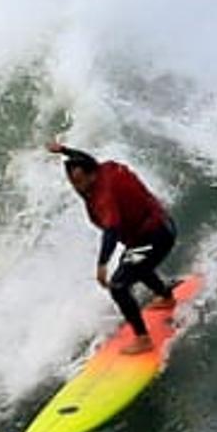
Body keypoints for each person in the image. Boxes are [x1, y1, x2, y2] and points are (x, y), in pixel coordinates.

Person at [49, 140, 178, 332]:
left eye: (79, 181)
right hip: (158, 224)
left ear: (91, 175)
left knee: (118, 285)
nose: (76, 187)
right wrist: (64, 151)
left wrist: (102, 264)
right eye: (72, 182)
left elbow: (112, 230)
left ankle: (143, 339)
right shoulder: (104, 168)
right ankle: (166, 297)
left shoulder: (103, 196)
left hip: (155, 235)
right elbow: (87, 159)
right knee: (133, 262)